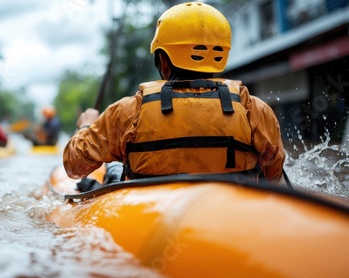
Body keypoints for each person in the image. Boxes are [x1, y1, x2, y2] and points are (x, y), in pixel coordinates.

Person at [63, 2, 286, 185]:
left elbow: (74, 164)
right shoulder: (253, 109)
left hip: (149, 215)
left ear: (162, 61)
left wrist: (85, 126)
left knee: (111, 171)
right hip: (231, 214)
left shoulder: (128, 111)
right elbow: (273, 176)